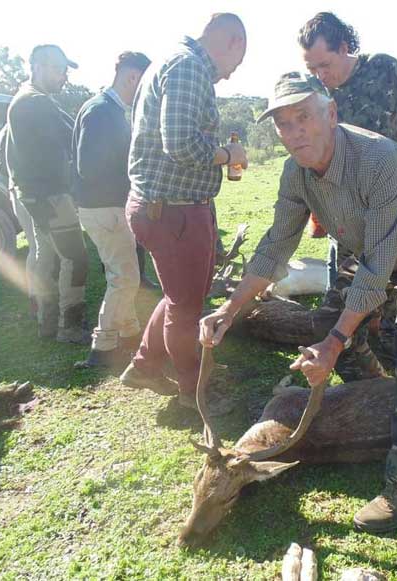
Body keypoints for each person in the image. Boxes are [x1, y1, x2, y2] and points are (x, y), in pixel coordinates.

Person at [200, 73, 397, 534]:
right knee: (334, 328)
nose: (294, 132)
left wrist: (336, 342)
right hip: (368, 249)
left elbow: (378, 272)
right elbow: (275, 246)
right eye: (283, 124)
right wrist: (230, 309)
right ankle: (374, 400)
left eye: (303, 117)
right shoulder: (295, 172)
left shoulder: (378, 160)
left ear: (332, 114)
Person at [120, 14, 248, 410]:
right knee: (186, 307)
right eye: (237, 62)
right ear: (230, 42)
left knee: (180, 297)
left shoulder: (172, 62)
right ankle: (193, 392)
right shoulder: (189, 68)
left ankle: (143, 366)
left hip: (166, 206)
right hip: (172, 212)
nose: (229, 76)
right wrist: (228, 155)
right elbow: (180, 145)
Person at [298, 12, 397, 371]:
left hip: (393, 198)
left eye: (325, 64)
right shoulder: (320, 92)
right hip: (344, 209)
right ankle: (357, 362)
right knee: (345, 289)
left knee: (387, 284)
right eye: (313, 68)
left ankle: (391, 360)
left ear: (344, 47)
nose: (321, 75)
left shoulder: (384, 67)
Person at [72, 52, 152, 369]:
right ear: (133, 78)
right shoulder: (102, 112)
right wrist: (132, 180)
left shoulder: (109, 110)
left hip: (105, 207)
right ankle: (103, 347)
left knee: (124, 272)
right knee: (125, 278)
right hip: (104, 208)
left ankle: (130, 335)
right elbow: (88, 168)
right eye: (144, 85)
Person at [6, 44, 89, 343]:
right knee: (76, 258)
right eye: (58, 70)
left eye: (65, 71)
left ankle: (47, 322)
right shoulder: (36, 102)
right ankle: (70, 326)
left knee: (46, 256)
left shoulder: (22, 99)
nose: (63, 77)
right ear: (38, 66)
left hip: (34, 196)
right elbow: (75, 138)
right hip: (50, 196)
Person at [0, 123, 37, 319]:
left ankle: (37, 295)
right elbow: (3, 167)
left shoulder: (6, 129)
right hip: (29, 193)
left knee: (37, 246)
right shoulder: (15, 128)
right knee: (39, 247)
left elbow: (1, 167)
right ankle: (38, 297)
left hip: (18, 191)